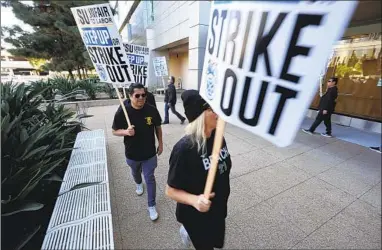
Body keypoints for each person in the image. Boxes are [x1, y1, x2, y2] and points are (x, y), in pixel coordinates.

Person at [165, 90, 232, 250]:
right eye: (212, 109)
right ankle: (187, 230)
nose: (218, 112)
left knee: (217, 242)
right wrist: (195, 200)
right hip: (196, 216)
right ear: (200, 115)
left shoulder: (218, 137)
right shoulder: (184, 149)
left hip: (218, 209)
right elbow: (170, 190)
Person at [112, 83, 163, 221]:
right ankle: (138, 183)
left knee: (150, 178)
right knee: (135, 173)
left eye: (143, 95)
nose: (141, 98)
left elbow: (158, 127)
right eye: (137, 95)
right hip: (132, 154)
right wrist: (126, 132)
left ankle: (151, 205)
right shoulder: (123, 110)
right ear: (130, 96)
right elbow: (114, 131)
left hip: (149, 153)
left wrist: (161, 144)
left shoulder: (151, 110)